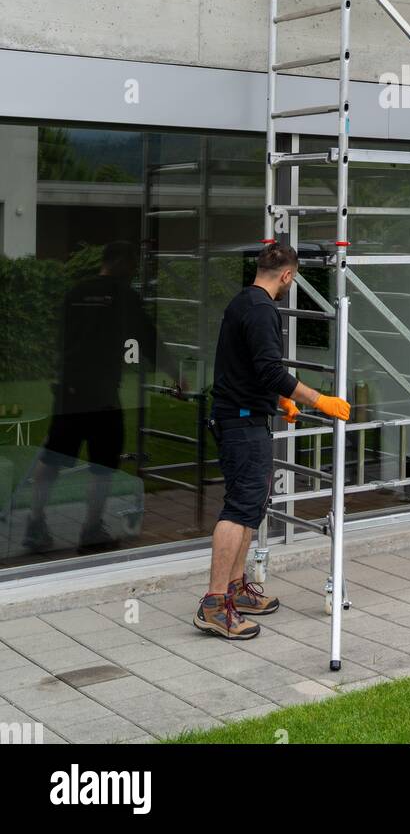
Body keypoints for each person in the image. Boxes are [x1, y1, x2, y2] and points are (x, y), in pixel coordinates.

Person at [195, 243, 351, 640]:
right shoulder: (263, 310)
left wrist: (277, 400)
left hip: (244, 416)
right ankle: (214, 604)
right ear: (286, 275)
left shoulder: (242, 302)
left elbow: (247, 368)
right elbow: (269, 369)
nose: (290, 285)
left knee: (250, 506)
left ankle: (233, 590)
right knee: (239, 507)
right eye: (292, 280)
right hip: (241, 424)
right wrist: (320, 400)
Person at [24, 240, 172, 555]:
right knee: (103, 465)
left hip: (70, 391)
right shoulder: (122, 296)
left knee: (52, 458)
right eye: (132, 264)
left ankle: (34, 524)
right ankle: (91, 531)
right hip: (102, 395)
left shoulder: (76, 293)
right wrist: (175, 372)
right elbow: (148, 338)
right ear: (120, 262)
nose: (133, 271)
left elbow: (63, 339)